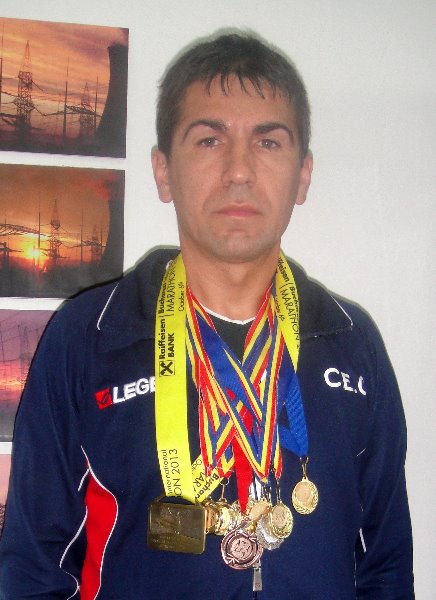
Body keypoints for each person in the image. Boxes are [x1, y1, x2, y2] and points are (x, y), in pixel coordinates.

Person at [0, 32, 414, 599]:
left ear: (303, 175)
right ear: (164, 171)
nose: (239, 171)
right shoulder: (87, 338)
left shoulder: (353, 342)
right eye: (209, 140)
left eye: (268, 142)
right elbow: (33, 570)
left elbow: (386, 567)